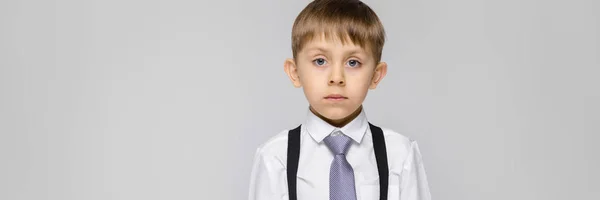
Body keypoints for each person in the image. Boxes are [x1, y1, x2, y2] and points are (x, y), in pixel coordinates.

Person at [248, 0, 431, 199]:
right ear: (295, 72)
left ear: (376, 75)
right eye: (320, 61)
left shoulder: (399, 154)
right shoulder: (275, 157)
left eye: (353, 62)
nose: (336, 77)